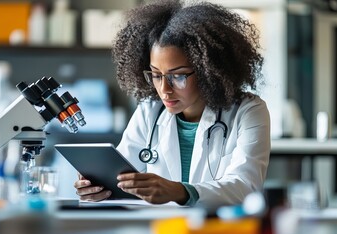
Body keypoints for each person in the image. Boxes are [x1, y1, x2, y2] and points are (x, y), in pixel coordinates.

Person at [74, 0, 270, 211]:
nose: (164, 89)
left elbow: (245, 186)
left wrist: (180, 191)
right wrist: (98, 188)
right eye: (156, 75)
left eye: (178, 76)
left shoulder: (248, 111)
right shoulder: (150, 112)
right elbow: (121, 178)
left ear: (209, 71)